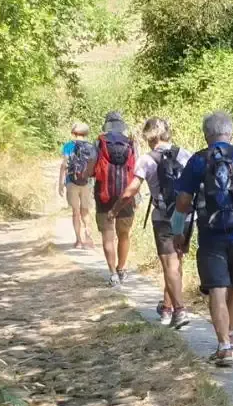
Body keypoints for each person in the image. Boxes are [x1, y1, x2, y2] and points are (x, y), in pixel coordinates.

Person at [175, 111, 233, 367]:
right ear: (231, 133)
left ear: (206, 135)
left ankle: (224, 346)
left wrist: (178, 231)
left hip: (211, 235)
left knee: (217, 289)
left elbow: (183, 202)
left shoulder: (197, 160)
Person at [118, 117, 193, 328]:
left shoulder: (147, 160)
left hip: (162, 217)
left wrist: (116, 209)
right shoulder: (185, 154)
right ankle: (167, 308)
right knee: (177, 263)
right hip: (185, 216)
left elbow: (132, 189)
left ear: (149, 136)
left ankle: (179, 310)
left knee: (168, 264)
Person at [91, 111, 138, 286]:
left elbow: (93, 166)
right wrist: (137, 196)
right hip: (126, 194)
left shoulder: (99, 141)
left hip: (103, 193)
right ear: (122, 125)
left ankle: (112, 274)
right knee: (124, 234)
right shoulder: (131, 142)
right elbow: (137, 169)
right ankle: (122, 268)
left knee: (108, 234)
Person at [58, 122, 95, 249]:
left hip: (71, 181)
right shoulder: (91, 147)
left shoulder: (68, 146)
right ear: (86, 133)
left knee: (75, 212)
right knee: (85, 211)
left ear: (73, 133)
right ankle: (88, 239)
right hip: (86, 182)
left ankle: (79, 241)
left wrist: (60, 184)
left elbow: (64, 164)